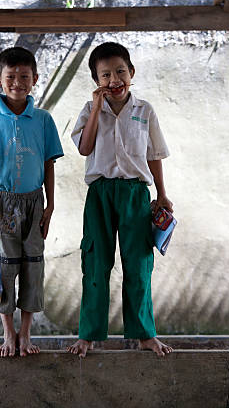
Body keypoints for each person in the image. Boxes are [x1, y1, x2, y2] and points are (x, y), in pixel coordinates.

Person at [67, 42, 174, 358]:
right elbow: (85, 148)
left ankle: (144, 335)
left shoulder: (145, 110)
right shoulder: (90, 111)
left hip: (135, 194)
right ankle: (88, 335)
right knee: (95, 263)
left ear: (132, 73)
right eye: (105, 75)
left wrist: (162, 195)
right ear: (96, 81)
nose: (114, 79)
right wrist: (97, 108)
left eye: (120, 71)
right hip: (99, 194)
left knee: (139, 264)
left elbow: (154, 156)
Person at [0, 47, 64, 357]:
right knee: (3, 267)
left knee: (32, 265)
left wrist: (49, 206)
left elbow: (50, 163)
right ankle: (8, 333)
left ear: (35, 79)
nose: (17, 83)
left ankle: (26, 334)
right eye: (10, 77)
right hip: (0, 203)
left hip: (33, 201)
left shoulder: (42, 119)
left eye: (24, 77)